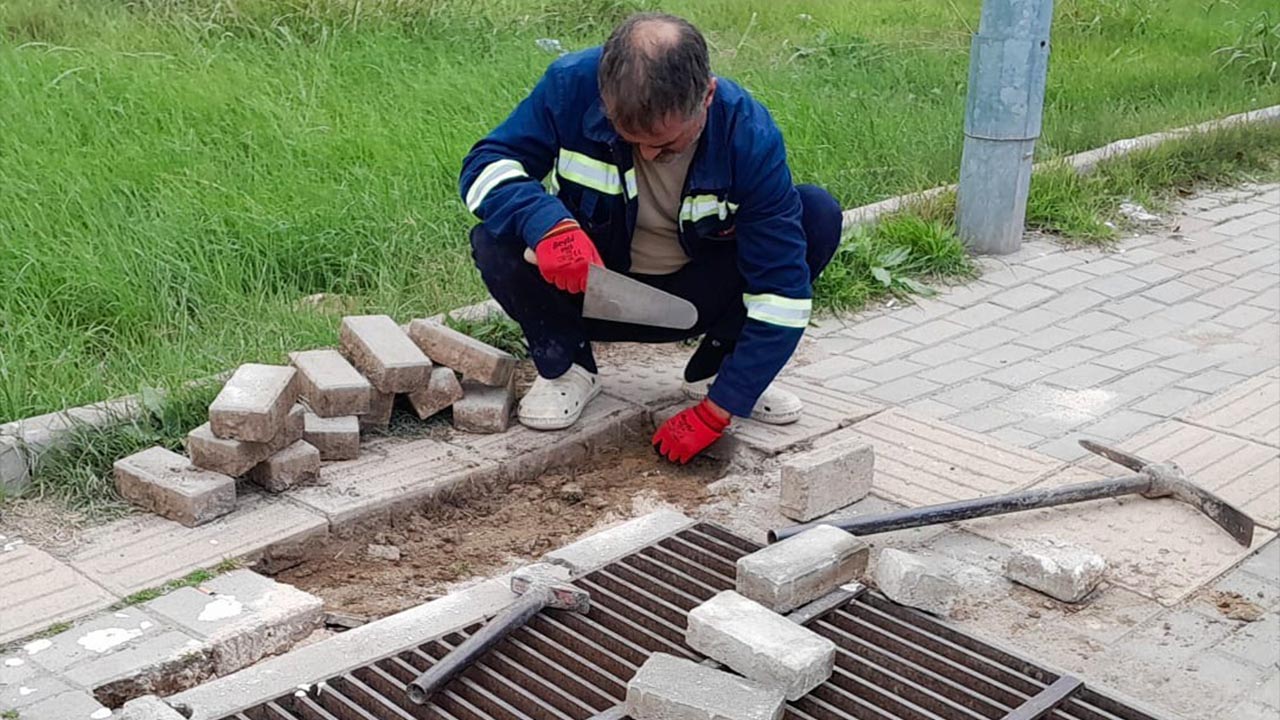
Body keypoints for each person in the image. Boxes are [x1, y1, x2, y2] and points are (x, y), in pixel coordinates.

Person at [460, 12, 842, 464]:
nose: (647, 154)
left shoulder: (748, 134)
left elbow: (781, 289)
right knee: (494, 239)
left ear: (707, 95)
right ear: (605, 96)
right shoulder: (571, 85)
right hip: (592, 288)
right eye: (630, 138)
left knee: (815, 214)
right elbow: (485, 166)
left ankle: (718, 370)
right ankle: (568, 369)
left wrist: (722, 407)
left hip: (692, 297)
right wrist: (547, 224)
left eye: (665, 145)